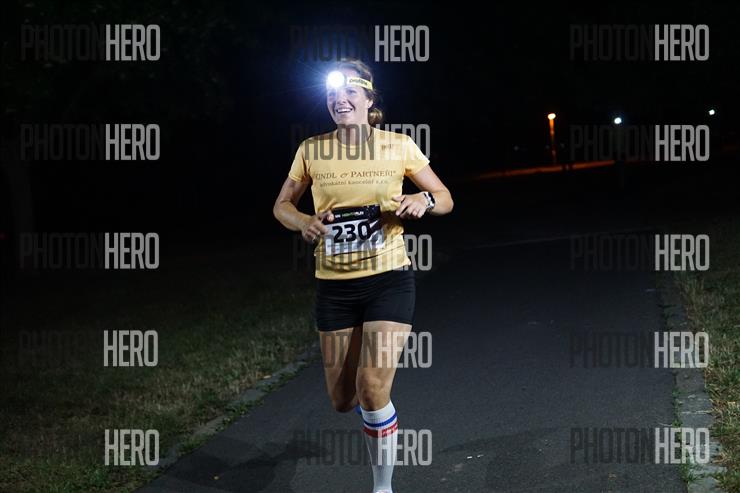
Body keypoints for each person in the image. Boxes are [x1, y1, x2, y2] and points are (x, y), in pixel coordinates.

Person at [273, 58, 453, 493]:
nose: (339, 100)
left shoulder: (399, 145)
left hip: (389, 278)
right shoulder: (312, 150)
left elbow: (445, 196)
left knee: (372, 387)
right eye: (331, 95)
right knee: (343, 399)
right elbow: (282, 206)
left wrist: (424, 201)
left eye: (349, 92)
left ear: (369, 100)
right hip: (334, 287)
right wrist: (304, 222)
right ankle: (377, 417)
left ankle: (382, 487)